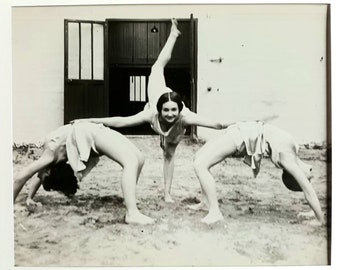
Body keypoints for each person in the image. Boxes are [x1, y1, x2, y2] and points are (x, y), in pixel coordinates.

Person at [72, 19, 227, 203]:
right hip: (157, 93)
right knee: (157, 67)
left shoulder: (185, 117)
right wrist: (87, 119)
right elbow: (120, 121)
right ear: (159, 110)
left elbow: (216, 124)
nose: (170, 114)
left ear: (179, 109)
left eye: (173, 111)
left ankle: (167, 194)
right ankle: (173, 35)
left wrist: (241, 123)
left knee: (168, 155)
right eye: (166, 111)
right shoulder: (151, 112)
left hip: (174, 130)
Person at [13, 122, 155, 225]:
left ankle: (131, 211)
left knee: (137, 159)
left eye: (42, 175)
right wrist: (30, 197)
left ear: (49, 171)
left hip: (88, 131)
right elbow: (40, 176)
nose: (39, 175)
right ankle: (132, 209)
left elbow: (20, 177)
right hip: (90, 131)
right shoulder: (50, 162)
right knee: (134, 160)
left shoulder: (49, 157)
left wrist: (11, 205)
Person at [190, 121, 325, 225]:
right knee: (198, 157)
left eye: (308, 178)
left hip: (243, 135)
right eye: (309, 178)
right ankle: (205, 202)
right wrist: (316, 215)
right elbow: (308, 190)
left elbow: (308, 190)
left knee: (200, 164)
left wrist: (319, 219)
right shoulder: (293, 151)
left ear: (294, 176)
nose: (311, 172)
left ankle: (215, 213)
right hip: (245, 130)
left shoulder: (288, 160)